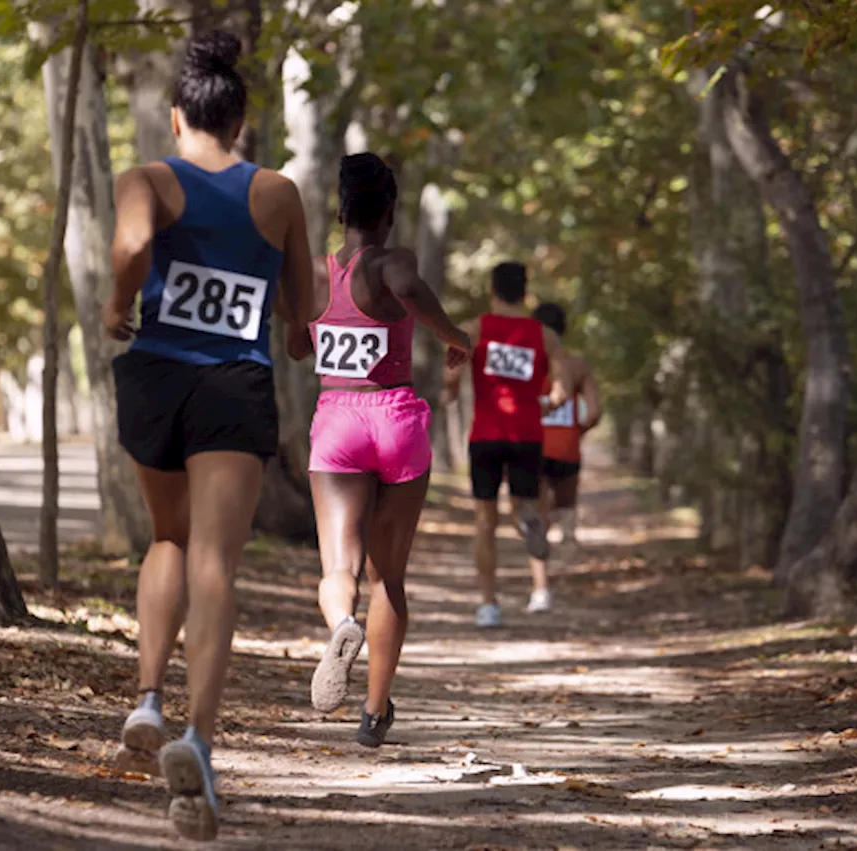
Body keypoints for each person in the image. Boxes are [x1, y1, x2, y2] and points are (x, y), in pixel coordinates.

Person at [100, 30, 314, 842]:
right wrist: (294, 330)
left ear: (178, 113)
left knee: (167, 539)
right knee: (218, 560)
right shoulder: (279, 194)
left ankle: (147, 696)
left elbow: (132, 245)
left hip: (157, 377)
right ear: (242, 119)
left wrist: (122, 302)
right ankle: (200, 739)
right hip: (234, 384)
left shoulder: (148, 178)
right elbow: (303, 317)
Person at [301, 153, 471, 748]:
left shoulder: (319, 271)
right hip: (397, 420)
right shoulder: (394, 260)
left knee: (338, 569)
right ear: (391, 210)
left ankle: (342, 626)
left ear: (339, 208)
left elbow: (300, 344)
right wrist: (456, 337)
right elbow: (409, 288)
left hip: (338, 423)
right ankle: (374, 714)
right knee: (389, 577)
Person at [443, 262, 569, 628]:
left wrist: (449, 392)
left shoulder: (475, 330)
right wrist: (542, 403)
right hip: (527, 434)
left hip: (486, 434)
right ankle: (534, 549)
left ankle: (488, 604)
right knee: (526, 507)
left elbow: (450, 378)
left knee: (485, 521)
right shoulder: (545, 336)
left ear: (492, 290)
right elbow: (560, 392)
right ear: (526, 291)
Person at [532, 302, 602, 607]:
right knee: (565, 512)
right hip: (567, 450)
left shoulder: (527, 365)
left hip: (530, 448)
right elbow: (595, 411)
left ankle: (541, 589)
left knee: (535, 517)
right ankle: (568, 558)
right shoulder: (577, 366)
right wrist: (578, 431)